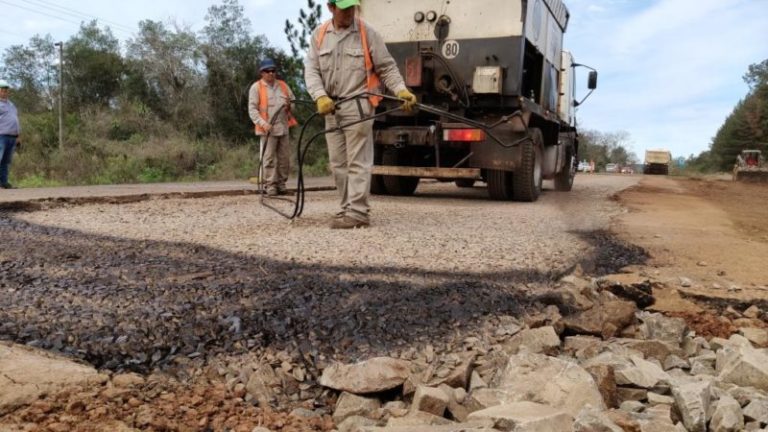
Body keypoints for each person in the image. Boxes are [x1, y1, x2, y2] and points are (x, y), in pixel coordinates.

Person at [304, 0, 416, 229]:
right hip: (331, 108)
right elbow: (311, 70)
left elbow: (386, 67)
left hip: (358, 107)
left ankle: (358, 212)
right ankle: (346, 208)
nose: (349, 13)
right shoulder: (320, 34)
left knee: (358, 162)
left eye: (352, 7)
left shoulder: (367, 33)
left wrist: (401, 90)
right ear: (331, 7)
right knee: (338, 164)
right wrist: (320, 96)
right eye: (344, 8)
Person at [248, 58, 297, 196]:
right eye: (267, 71)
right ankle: (270, 186)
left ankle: (281, 185)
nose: (270, 73)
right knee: (268, 159)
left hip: (283, 128)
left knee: (284, 159)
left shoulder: (283, 85)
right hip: (267, 130)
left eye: (273, 70)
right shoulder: (256, 88)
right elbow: (252, 110)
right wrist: (264, 124)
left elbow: (294, 103)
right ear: (261, 73)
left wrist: (290, 105)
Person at [0, 79, 20, 189]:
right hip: (1, 136)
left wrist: (18, 136)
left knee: (5, 161)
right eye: (2, 90)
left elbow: (15, 119)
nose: (4, 92)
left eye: (6, 90)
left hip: (12, 136)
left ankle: (4, 182)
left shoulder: (11, 104)